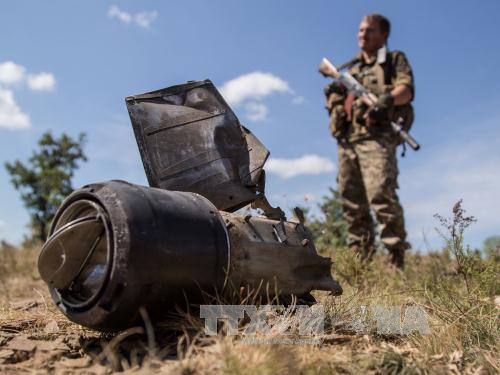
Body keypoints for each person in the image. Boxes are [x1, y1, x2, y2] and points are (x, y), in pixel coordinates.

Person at [319, 13, 415, 269]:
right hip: (348, 141)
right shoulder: (352, 69)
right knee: (351, 203)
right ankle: (360, 266)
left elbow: (406, 90)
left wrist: (387, 101)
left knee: (381, 196)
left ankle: (396, 263)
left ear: (384, 35)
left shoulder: (393, 60)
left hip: (376, 139)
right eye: (361, 30)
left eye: (369, 31)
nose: (362, 35)